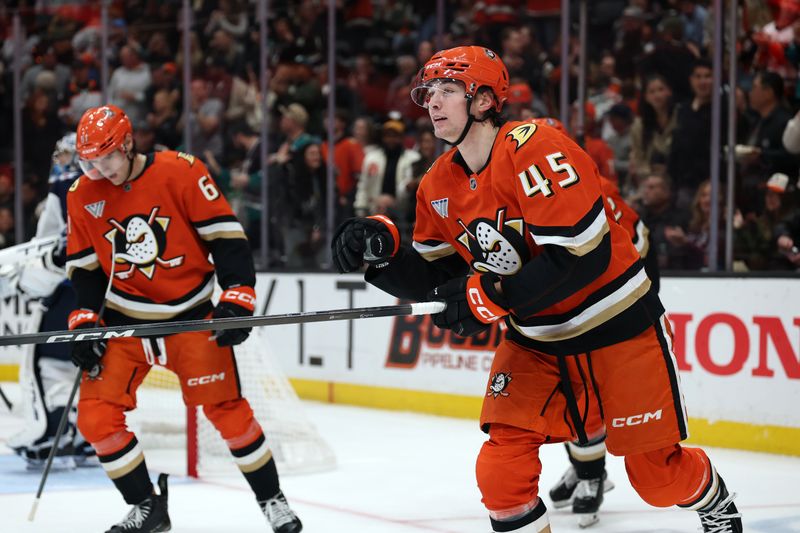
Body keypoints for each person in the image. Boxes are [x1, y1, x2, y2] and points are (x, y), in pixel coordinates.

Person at [331, 46, 742, 533]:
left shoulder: (536, 146)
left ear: (485, 100)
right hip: (537, 343)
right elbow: (438, 283)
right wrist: (384, 254)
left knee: (659, 479)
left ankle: (715, 502)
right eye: (429, 92)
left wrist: (490, 296)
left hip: (618, 329)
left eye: (448, 90)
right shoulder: (436, 185)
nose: (433, 102)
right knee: (501, 476)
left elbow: (580, 257)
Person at [66, 105, 302, 533]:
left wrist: (238, 296)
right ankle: (146, 506)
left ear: (128, 143)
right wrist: (84, 319)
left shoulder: (181, 171)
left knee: (229, 414)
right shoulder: (82, 193)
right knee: (95, 418)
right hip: (125, 322)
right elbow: (85, 267)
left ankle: (272, 500)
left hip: (190, 318)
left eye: (108, 158)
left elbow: (226, 238)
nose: (100, 170)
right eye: (91, 162)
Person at [530, 117, 660, 527]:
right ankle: (586, 467)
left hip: (605, 308)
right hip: (560, 310)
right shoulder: (519, 186)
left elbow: (635, 242)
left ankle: (592, 474)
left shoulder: (593, 187)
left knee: (585, 396)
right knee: (567, 395)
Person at [1, 133, 97, 469]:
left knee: (49, 363)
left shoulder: (64, 187)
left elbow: (48, 248)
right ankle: (87, 436)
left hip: (68, 291)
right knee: (90, 368)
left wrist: (24, 277)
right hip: (106, 296)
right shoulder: (114, 186)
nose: (60, 162)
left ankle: (52, 435)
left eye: (66, 155)